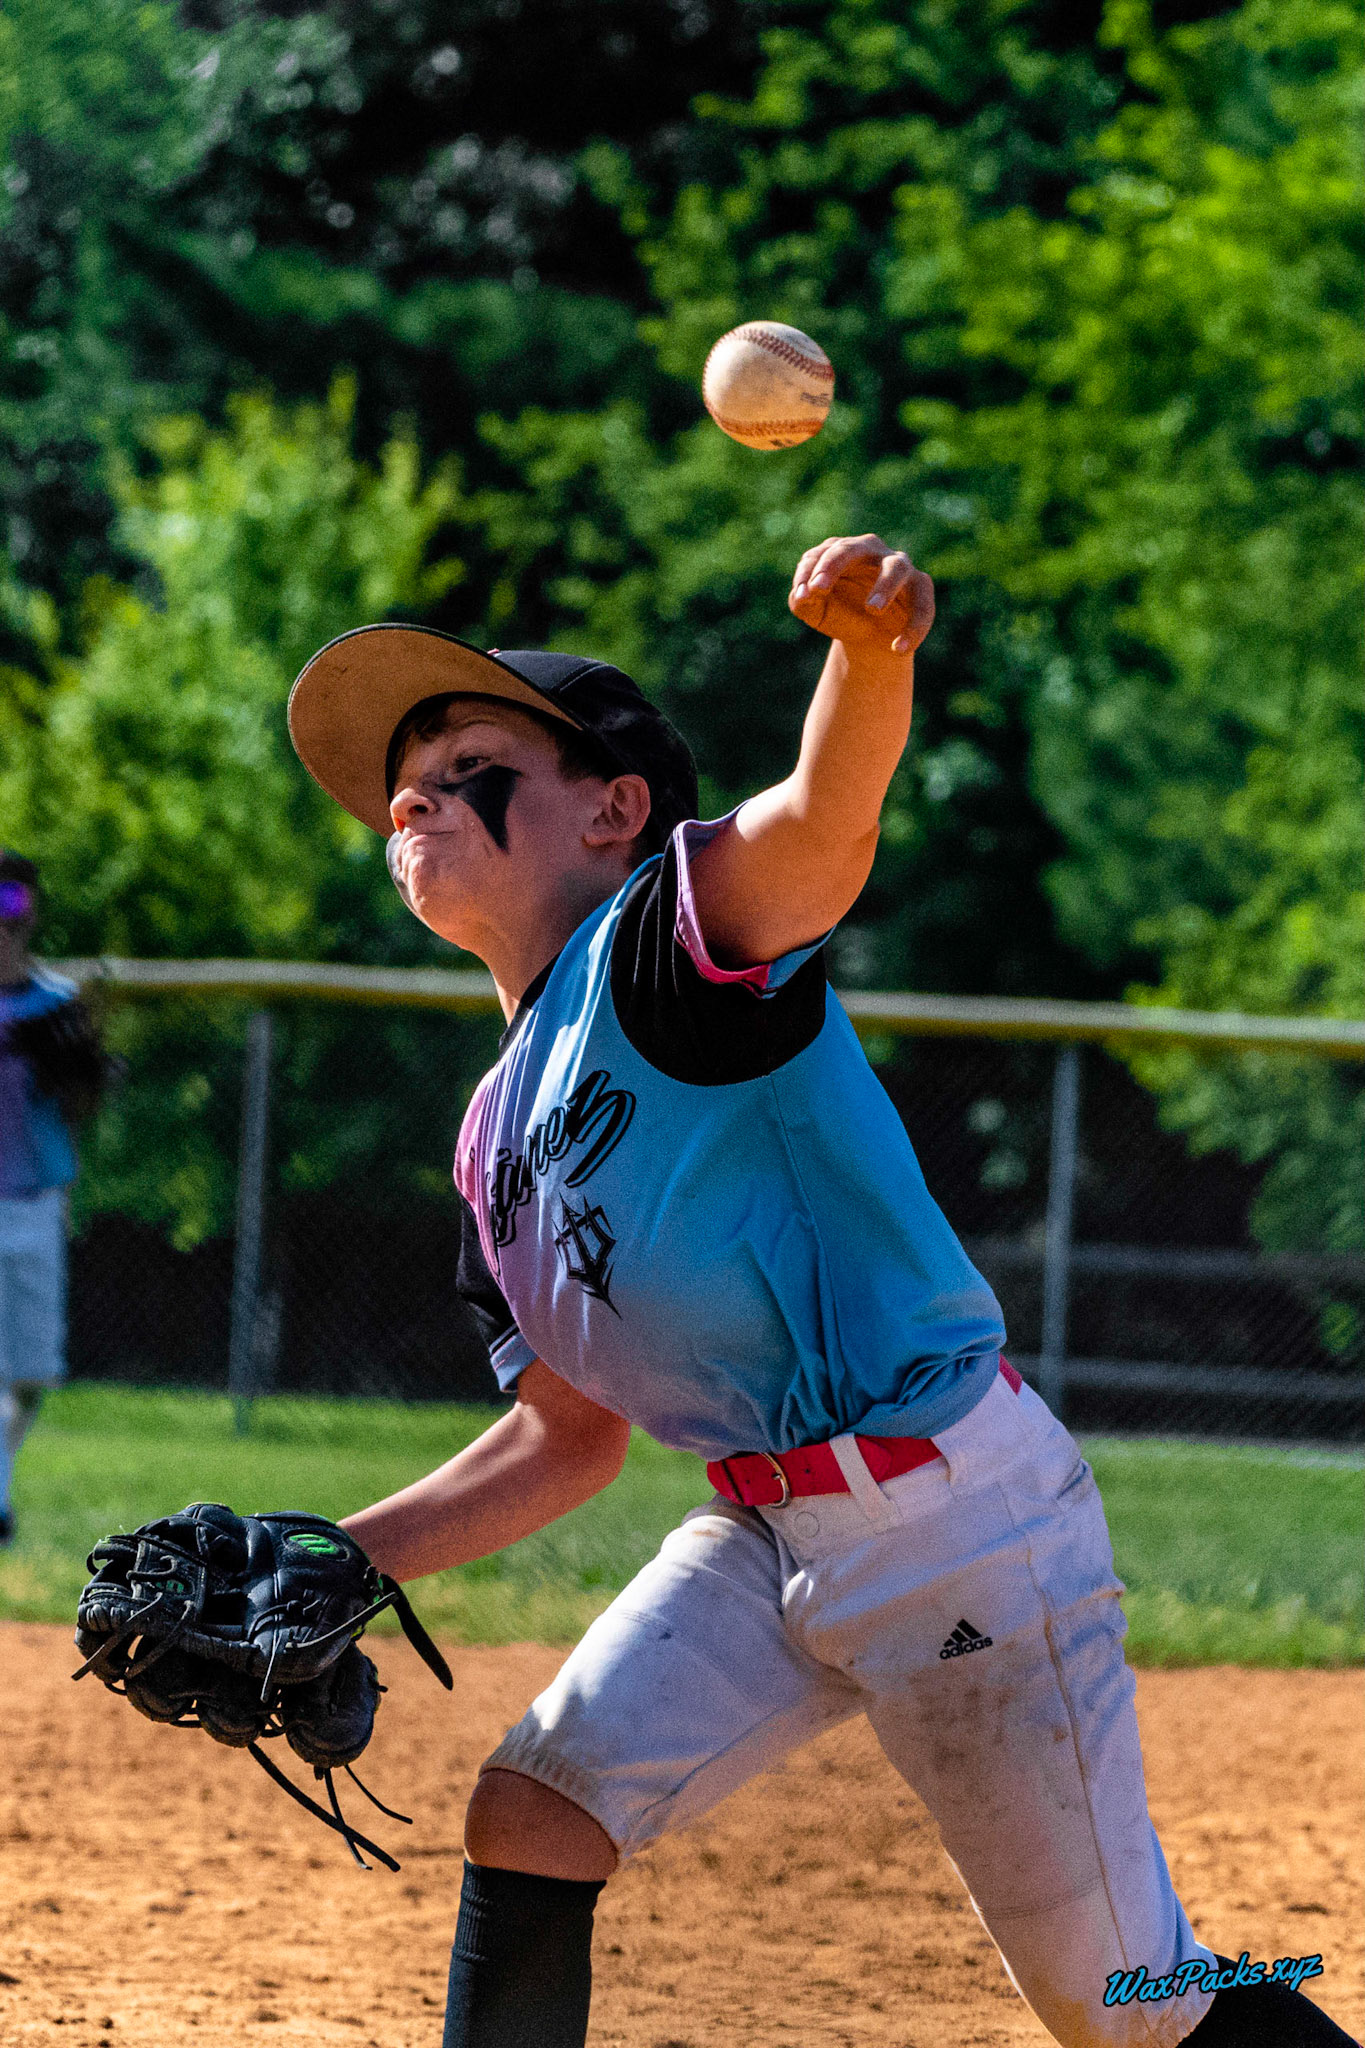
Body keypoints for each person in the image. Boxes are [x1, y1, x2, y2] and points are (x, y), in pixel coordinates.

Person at [287, 534, 1355, 2048]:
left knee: (1129, 2002)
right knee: (535, 1809)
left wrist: (867, 655)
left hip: (954, 1518)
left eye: (469, 766)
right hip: (765, 1528)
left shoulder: (662, 945)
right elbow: (564, 1439)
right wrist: (335, 1559)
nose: (415, 799)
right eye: (403, 788)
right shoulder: (492, 1145)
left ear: (612, 809)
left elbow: (823, 823)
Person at [0, 851, 107, 1545]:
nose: (4, 920)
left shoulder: (56, 1003)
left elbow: (82, 1107)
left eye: (14, 902)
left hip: (38, 1197)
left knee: (33, 1375)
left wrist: (83, 1070)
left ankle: (0, 1476)